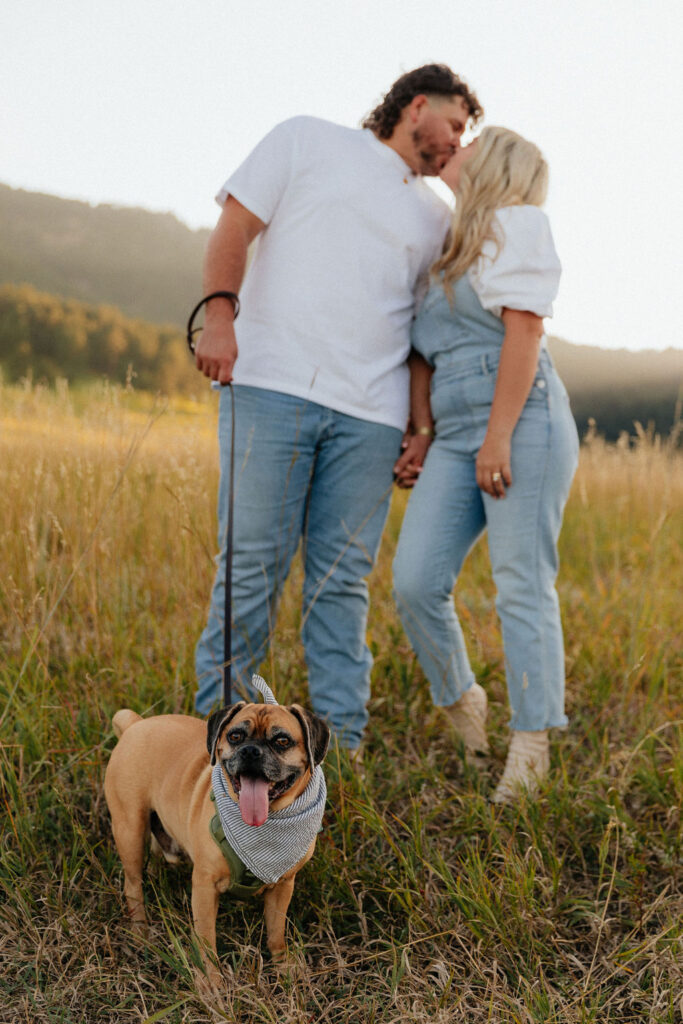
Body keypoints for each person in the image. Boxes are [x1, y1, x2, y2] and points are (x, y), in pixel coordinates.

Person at [193, 65, 483, 755]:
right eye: (455, 124)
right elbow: (234, 226)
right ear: (417, 105)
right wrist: (219, 319)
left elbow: (422, 332)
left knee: (340, 583)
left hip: (371, 417)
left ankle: (339, 746)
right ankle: (219, 743)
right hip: (271, 384)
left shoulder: (437, 215)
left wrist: (419, 425)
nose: (457, 143)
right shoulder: (305, 140)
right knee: (249, 567)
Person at [392, 126, 579, 802]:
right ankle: (462, 701)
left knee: (520, 582)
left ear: (494, 162)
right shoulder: (447, 245)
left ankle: (530, 746)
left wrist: (497, 437)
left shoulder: (517, 224)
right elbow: (419, 353)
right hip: (452, 431)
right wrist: (419, 430)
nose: (454, 146)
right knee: (414, 581)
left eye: (470, 142)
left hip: (521, 419)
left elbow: (524, 332)